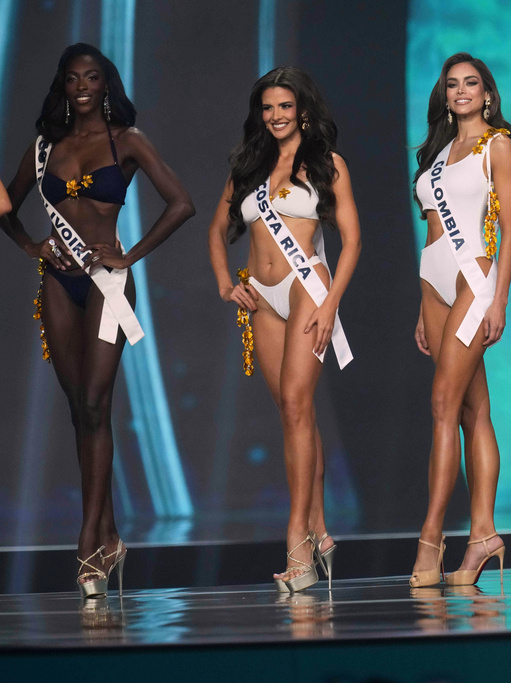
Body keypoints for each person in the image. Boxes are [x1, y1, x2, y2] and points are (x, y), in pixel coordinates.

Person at [0, 43, 194, 597]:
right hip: (58, 285)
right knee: (80, 410)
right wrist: (33, 245)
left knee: (94, 403)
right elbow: (5, 206)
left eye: (91, 76)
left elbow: (181, 203)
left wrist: (129, 257)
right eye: (71, 78)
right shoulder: (44, 149)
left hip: (108, 283)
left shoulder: (126, 141)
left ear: (106, 83)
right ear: (61, 86)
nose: (82, 85)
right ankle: (108, 533)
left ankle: (89, 539)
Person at [207, 67, 360, 591]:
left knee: (297, 405)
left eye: (284, 107)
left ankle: (297, 535)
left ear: (303, 112)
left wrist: (331, 302)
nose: (275, 116)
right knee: (294, 412)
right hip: (261, 299)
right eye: (267, 108)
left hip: (307, 289)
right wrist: (229, 284)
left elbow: (352, 239)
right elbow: (216, 231)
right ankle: (320, 529)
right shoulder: (249, 166)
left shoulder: (326, 164)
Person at [409, 52, 511, 588]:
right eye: (452, 84)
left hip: (474, 278)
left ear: (487, 93)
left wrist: (499, 299)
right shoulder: (436, 152)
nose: (461, 91)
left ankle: (431, 537)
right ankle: (483, 535)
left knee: (442, 405)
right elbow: (430, 226)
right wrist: (419, 307)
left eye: (471, 83)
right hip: (432, 279)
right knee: (474, 410)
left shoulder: (498, 146)